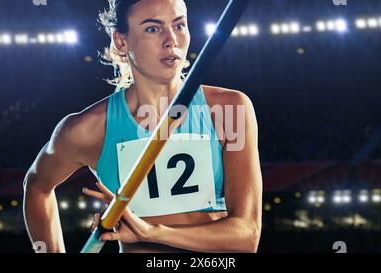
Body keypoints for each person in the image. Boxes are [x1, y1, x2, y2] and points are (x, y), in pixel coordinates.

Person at [23, 0, 262, 253]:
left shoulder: (227, 110)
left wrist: (152, 232)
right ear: (121, 42)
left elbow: (246, 236)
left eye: (179, 25)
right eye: (152, 28)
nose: (171, 40)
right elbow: (37, 187)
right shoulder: (88, 130)